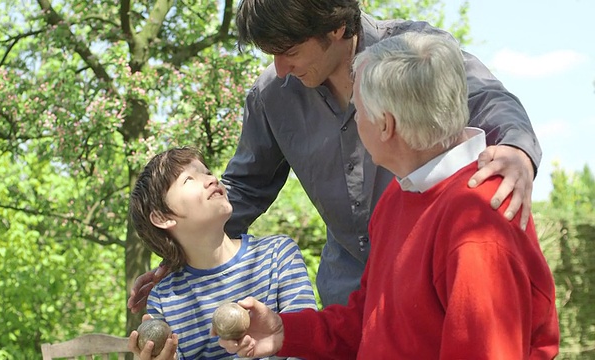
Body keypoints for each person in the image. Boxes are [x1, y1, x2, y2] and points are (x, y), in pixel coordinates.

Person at [128, 0, 542, 310]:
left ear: (338, 26)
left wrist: (516, 150)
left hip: (436, 284)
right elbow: (244, 189)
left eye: (288, 49)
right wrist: (182, 254)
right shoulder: (271, 95)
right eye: (270, 53)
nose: (281, 68)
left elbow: (491, 100)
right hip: (349, 301)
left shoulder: (415, 53)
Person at [217, 32, 559, 359]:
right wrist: (284, 332)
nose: (353, 121)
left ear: (385, 125)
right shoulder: (399, 196)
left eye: (357, 110)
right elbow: (369, 321)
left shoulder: (478, 226)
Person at [127, 147, 317, 360]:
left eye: (207, 172)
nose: (211, 179)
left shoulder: (278, 255)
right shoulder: (163, 299)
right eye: (189, 179)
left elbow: (306, 347)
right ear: (162, 217)